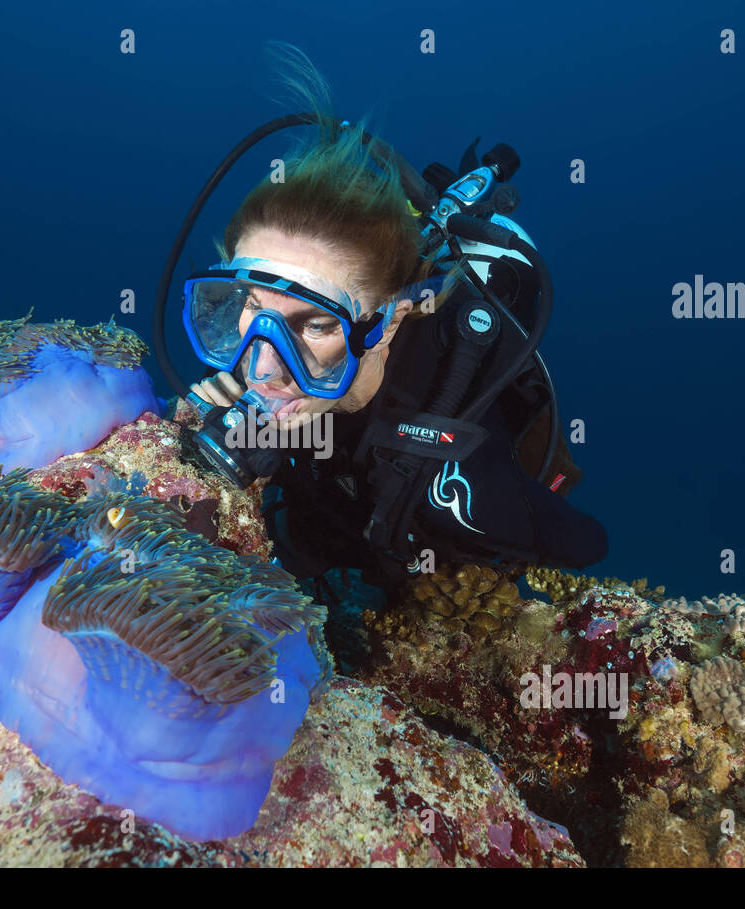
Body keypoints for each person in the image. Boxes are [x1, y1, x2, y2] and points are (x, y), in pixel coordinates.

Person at [185, 46, 607, 590]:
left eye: (315, 324)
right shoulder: (274, 376)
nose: (262, 369)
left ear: (387, 323)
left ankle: (465, 205)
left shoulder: (459, 463)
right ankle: (434, 208)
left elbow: (590, 542)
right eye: (251, 308)